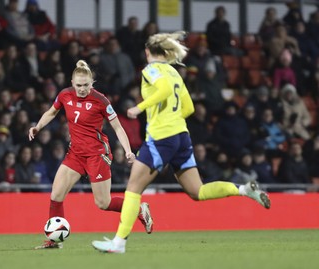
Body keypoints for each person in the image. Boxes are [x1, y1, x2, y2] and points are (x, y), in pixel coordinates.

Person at [92, 31, 271, 254]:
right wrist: (172, 119)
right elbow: (189, 108)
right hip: (181, 137)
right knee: (198, 191)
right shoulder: (175, 73)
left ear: (147, 52)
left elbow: (164, 91)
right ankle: (244, 189)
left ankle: (118, 243)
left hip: (161, 136)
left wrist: (140, 107)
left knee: (133, 188)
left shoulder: (151, 70)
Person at [28, 60, 153, 249]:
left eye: (86, 85)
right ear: (72, 82)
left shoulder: (100, 100)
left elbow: (117, 127)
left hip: (97, 154)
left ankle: (138, 209)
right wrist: (38, 126)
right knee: (56, 195)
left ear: (91, 83)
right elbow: (51, 112)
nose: (81, 89)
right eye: (78, 85)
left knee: (103, 203)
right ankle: (54, 241)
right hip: (76, 153)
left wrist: (128, 151)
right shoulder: (65, 95)